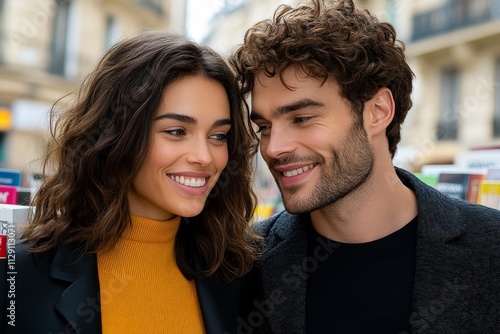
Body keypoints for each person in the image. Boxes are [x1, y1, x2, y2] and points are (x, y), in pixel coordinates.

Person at [230, 0, 500, 333]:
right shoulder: (245, 265)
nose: (273, 148)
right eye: (265, 126)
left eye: (301, 118)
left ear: (377, 112)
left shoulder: (491, 248)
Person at [0, 31, 261, 334]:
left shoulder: (242, 276)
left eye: (218, 136)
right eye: (176, 131)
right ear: (118, 135)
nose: (204, 157)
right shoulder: (17, 277)